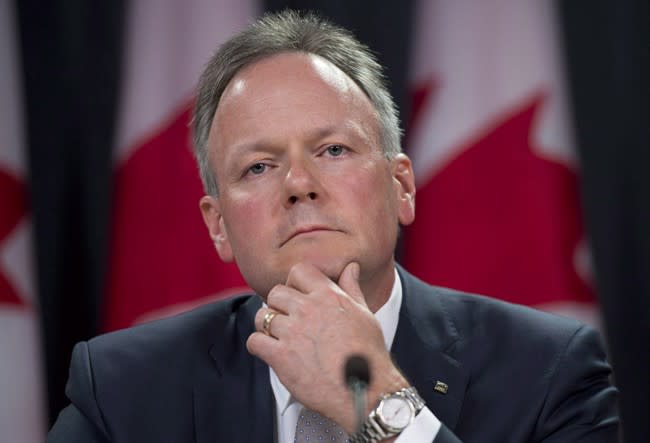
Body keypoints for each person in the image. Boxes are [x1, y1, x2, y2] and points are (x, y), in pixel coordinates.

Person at [47, 10, 618, 443]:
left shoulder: (549, 372)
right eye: (259, 167)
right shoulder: (120, 389)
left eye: (335, 149)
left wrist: (378, 401)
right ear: (218, 226)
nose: (299, 182)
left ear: (401, 188)